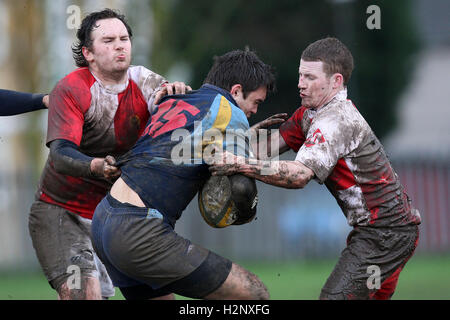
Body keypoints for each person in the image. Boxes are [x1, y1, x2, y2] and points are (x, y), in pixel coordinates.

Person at [209, 37, 421, 300]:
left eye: (310, 77)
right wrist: (238, 145)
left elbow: (299, 176)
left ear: (336, 82)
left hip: (386, 234)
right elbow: (262, 151)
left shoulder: (336, 120)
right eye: (300, 75)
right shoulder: (310, 114)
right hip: (381, 231)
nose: (300, 84)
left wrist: (240, 163)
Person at [91, 49, 279, 300]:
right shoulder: (230, 112)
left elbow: (185, 145)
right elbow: (241, 179)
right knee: (255, 296)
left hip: (104, 221)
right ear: (235, 91)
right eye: (256, 102)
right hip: (137, 231)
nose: (255, 111)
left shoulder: (178, 99)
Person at [28, 8, 190, 300]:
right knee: (86, 295)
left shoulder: (146, 81)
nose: (119, 45)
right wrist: (96, 166)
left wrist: (178, 99)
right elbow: (62, 154)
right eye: (109, 40)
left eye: (124, 38)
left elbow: (175, 114)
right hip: (63, 212)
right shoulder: (72, 89)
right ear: (88, 53)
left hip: (118, 214)